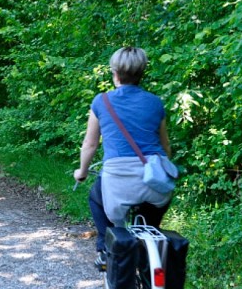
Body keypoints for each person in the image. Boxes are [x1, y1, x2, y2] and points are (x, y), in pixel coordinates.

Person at [73, 47, 173, 270]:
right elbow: (165, 145)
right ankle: (149, 252)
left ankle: (105, 251)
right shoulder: (155, 102)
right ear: (142, 73)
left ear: (115, 73)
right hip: (154, 179)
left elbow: (90, 144)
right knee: (151, 222)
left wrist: (82, 172)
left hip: (118, 181)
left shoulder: (101, 101)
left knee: (95, 198)